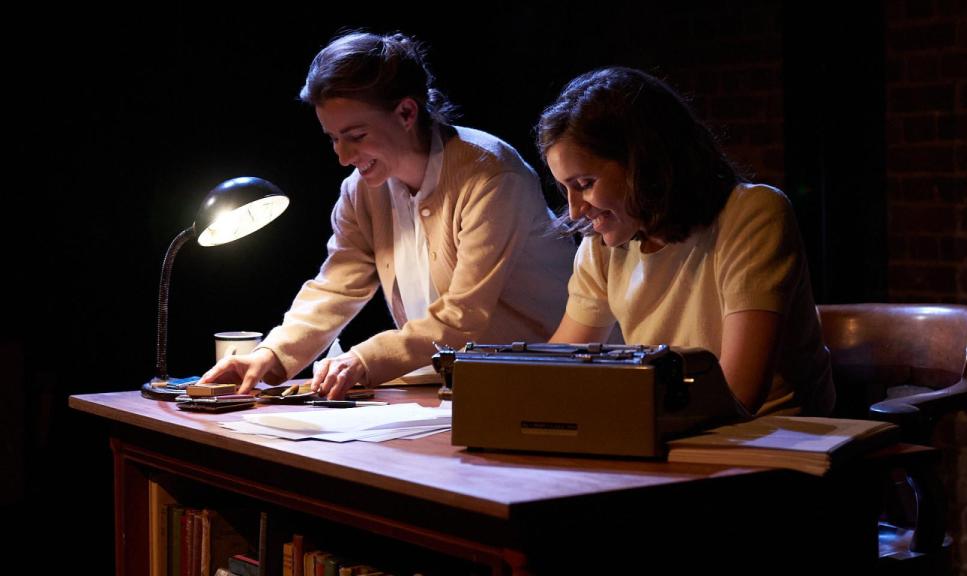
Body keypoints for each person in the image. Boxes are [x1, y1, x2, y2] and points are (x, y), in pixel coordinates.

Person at [200, 31, 575, 399]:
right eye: (333, 138)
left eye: (356, 136)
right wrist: (272, 353)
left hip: (546, 383)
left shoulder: (491, 175)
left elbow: (463, 316)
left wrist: (363, 358)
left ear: (406, 112)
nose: (343, 156)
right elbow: (337, 285)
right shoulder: (361, 191)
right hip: (453, 385)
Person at [536, 67, 834, 416]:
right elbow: (556, 369)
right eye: (565, 188)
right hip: (673, 427)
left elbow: (737, 395)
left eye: (585, 184)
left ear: (642, 163)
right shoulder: (602, 244)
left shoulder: (753, 213)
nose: (575, 210)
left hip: (773, 436)